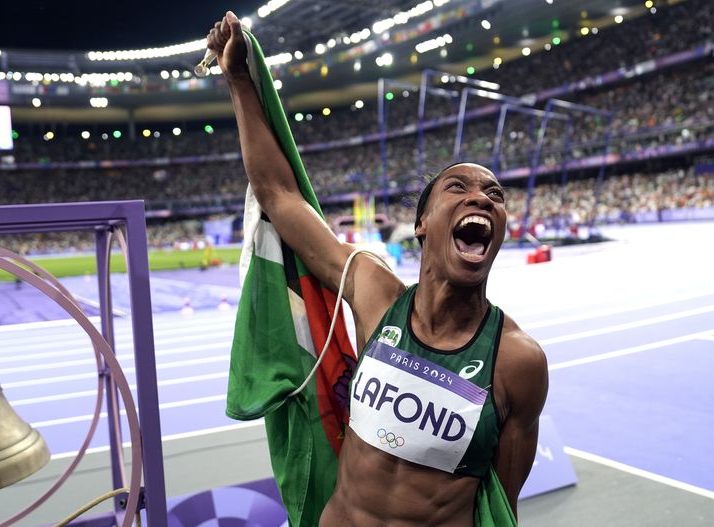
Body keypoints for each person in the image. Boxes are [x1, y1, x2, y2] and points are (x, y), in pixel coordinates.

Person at [208, 11, 548, 526]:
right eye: (458, 188)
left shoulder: (517, 362)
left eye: (495, 195)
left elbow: (501, 505)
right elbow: (279, 196)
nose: (482, 197)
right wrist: (238, 79)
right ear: (422, 224)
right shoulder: (374, 292)